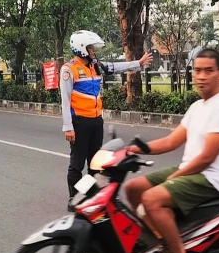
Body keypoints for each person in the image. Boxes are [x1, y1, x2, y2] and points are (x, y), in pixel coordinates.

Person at [124, 48, 219, 253]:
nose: (201, 76)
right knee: (133, 188)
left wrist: (175, 177)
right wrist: (134, 150)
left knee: (152, 199)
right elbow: (171, 141)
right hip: (192, 169)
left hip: (212, 177)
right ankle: (160, 239)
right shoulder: (198, 107)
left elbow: (208, 157)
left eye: (209, 71)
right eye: (197, 70)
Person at [61, 30, 153, 211]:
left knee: (95, 163)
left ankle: (89, 195)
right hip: (79, 123)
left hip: (96, 122)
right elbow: (65, 101)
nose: (93, 51)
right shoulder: (69, 69)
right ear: (81, 49)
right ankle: (74, 198)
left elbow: (115, 67)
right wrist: (68, 127)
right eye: (90, 48)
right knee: (77, 165)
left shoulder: (95, 66)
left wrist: (138, 64)